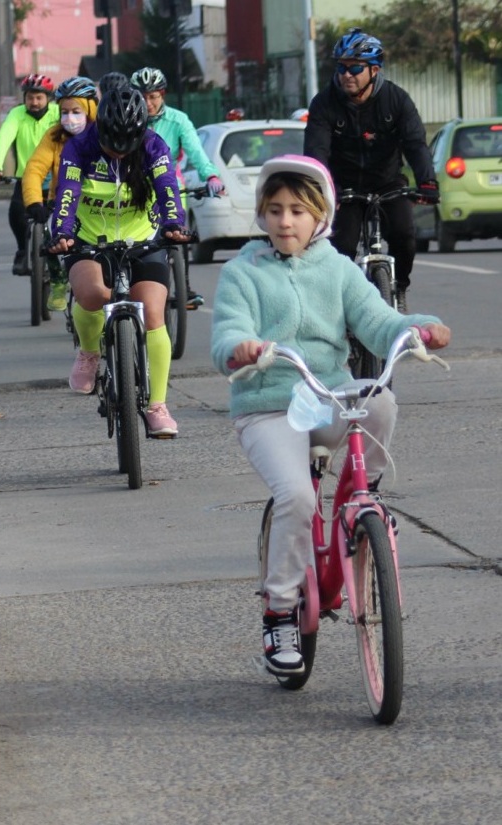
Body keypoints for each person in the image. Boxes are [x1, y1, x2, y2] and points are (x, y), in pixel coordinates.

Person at [210, 155, 451, 676]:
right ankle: (279, 612)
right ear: (262, 216)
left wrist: (419, 330)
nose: (285, 221)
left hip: (328, 395)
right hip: (268, 407)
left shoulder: (337, 268)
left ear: (320, 215)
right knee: (296, 496)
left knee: (380, 398)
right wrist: (241, 348)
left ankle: (362, 495)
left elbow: (378, 319)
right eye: (274, 210)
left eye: (298, 210)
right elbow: (225, 332)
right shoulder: (242, 271)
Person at [48, 86, 192, 437]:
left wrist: (174, 225)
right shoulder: (79, 146)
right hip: (87, 236)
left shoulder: (154, 145)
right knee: (93, 294)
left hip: (143, 236)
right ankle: (88, 351)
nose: (121, 148)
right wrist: (63, 233)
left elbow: (167, 189)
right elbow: (67, 192)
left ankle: (157, 405)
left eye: (130, 140)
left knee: (154, 312)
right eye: (114, 140)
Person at [303, 28, 439, 313]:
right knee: (342, 246)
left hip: (388, 182)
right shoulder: (324, 103)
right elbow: (317, 152)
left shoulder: (397, 100)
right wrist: (322, 189)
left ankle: (399, 287)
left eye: (354, 68)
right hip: (344, 186)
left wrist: (427, 181)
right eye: (341, 67)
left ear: (374, 70)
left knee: (404, 235)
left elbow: (415, 144)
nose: (346, 74)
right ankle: (340, 307)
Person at [130, 67, 225, 309]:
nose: (148, 103)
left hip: (170, 184)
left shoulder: (178, 120)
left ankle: (184, 285)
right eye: (142, 97)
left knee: (176, 232)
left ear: (162, 95)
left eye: (153, 96)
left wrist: (211, 176)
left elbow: (196, 152)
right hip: (136, 187)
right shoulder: (129, 118)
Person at [22, 76, 98, 311]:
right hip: (63, 203)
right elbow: (34, 169)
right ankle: (57, 280)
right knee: (50, 233)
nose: (69, 118)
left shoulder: (103, 134)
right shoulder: (54, 136)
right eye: (64, 112)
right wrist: (34, 201)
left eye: (75, 111)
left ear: (90, 109)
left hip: (100, 205)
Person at [0, 74, 60, 274]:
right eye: (30, 98)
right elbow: (3, 138)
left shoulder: (59, 113)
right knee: (16, 213)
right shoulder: (17, 114)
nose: (34, 102)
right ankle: (21, 250)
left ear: (48, 98)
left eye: (39, 98)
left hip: (57, 178)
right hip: (27, 179)